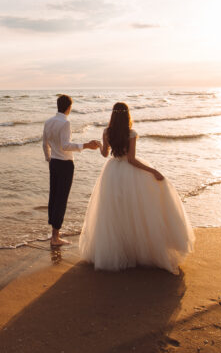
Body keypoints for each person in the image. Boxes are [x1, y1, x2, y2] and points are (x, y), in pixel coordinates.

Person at [78, 102, 194, 273]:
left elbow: (104, 154)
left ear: (113, 115)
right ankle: (134, 251)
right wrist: (152, 170)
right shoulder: (131, 133)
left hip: (111, 173)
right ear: (127, 115)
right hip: (129, 172)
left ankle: (120, 252)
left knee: (115, 213)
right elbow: (131, 159)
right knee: (134, 211)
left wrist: (101, 146)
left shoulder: (106, 132)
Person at [42, 94, 100, 247]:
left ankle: (54, 234)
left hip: (54, 163)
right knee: (61, 199)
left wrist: (49, 158)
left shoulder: (48, 122)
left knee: (54, 196)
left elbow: (44, 143)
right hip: (65, 164)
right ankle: (55, 237)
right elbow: (66, 145)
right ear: (69, 107)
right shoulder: (65, 123)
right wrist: (86, 145)